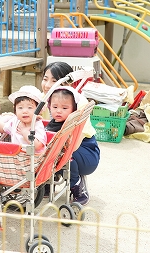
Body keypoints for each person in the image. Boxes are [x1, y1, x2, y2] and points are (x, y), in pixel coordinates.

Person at [42, 61, 100, 206]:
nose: (48, 85)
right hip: (60, 143)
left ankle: (77, 185)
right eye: (45, 79)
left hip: (83, 150)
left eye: (54, 81)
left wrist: (52, 153)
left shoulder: (79, 104)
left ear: (68, 85)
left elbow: (74, 144)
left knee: (58, 151)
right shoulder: (43, 98)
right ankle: (48, 182)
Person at [0, 85, 47, 152]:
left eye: (30, 107)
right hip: (17, 157)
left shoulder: (37, 124)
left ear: (38, 110)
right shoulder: (16, 121)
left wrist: (25, 132)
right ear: (15, 109)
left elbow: (38, 146)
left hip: (34, 159)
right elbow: (4, 128)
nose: (24, 111)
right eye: (20, 108)